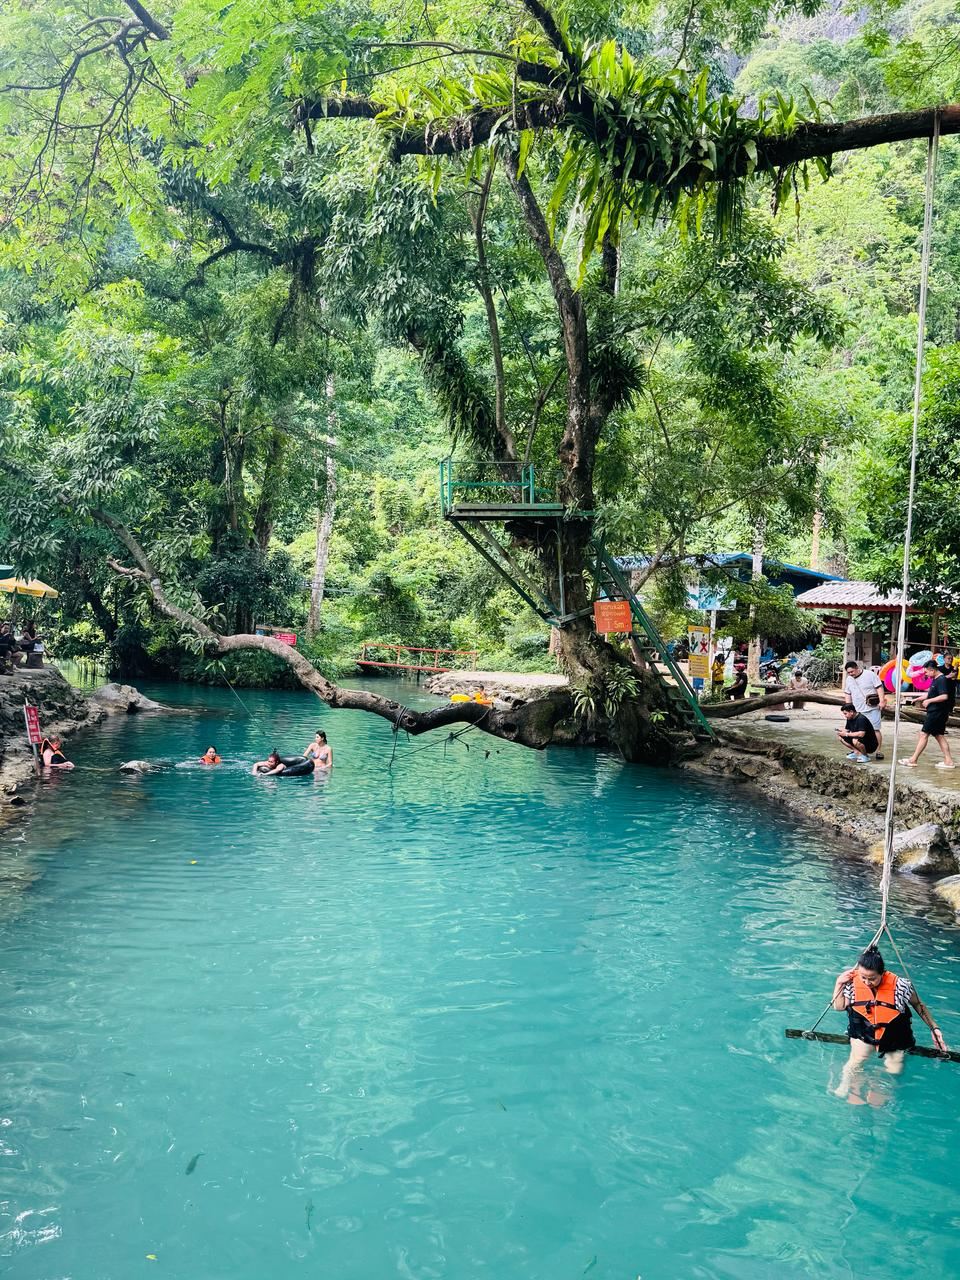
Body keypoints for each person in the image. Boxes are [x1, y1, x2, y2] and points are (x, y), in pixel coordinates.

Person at [832, 946, 946, 1100]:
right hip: (863, 1034)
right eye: (863, 977)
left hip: (893, 1037)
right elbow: (839, 1007)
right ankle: (845, 1084)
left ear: (882, 973)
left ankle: (875, 1082)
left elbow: (918, 1005)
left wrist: (934, 1028)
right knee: (855, 1061)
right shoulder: (852, 983)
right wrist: (839, 983)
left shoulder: (900, 986)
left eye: (872, 978)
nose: (867, 982)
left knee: (895, 1069)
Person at [900, 658, 956, 769]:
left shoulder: (941, 680)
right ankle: (948, 761)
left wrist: (929, 701)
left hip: (937, 713)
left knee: (923, 734)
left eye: (926, 672)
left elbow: (944, 696)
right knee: (939, 736)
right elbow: (931, 693)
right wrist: (918, 699)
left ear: (932, 670)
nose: (925, 674)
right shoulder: (935, 679)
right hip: (937, 712)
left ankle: (913, 760)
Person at [843, 660, 886, 760]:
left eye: (852, 671)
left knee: (875, 729)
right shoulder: (849, 679)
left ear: (857, 668)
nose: (851, 674)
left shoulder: (870, 675)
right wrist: (848, 707)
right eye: (848, 672)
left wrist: (882, 701)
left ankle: (878, 751)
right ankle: (857, 750)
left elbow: (879, 687)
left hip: (872, 708)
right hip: (857, 709)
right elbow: (847, 693)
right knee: (856, 730)